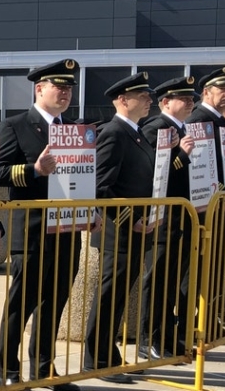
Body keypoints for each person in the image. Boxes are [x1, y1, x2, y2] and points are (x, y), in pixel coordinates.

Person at [0, 58, 81, 391]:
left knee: (54, 302)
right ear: (39, 89)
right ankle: (8, 369)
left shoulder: (74, 130)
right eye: (58, 86)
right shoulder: (15, 125)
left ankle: (44, 367)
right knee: (21, 304)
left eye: (69, 87)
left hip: (67, 229)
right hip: (30, 232)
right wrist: (33, 170)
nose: (64, 93)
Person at [82, 72, 155, 384]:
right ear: (123, 100)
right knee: (110, 295)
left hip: (136, 229)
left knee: (120, 296)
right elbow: (101, 186)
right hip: (118, 231)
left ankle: (108, 355)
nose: (149, 99)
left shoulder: (136, 133)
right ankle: (95, 359)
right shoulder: (113, 132)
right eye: (143, 95)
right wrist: (131, 217)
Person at [137, 76, 197, 360]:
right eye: (183, 98)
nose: (190, 103)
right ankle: (147, 337)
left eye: (191, 99)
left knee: (171, 279)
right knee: (157, 279)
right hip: (163, 218)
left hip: (181, 217)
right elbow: (153, 172)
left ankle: (165, 336)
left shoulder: (182, 128)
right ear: (165, 102)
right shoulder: (156, 127)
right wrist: (182, 155)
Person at [184, 67, 225, 340]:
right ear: (207, 92)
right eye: (223, 90)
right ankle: (193, 324)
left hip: (219, 206)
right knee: (201, 269)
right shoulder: (200, 119)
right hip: (207, 207)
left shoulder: (219, 122)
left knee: (215, 268)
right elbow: (201, 167)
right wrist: (221, 192)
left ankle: (207, 321)